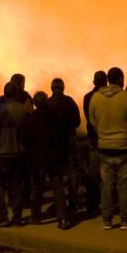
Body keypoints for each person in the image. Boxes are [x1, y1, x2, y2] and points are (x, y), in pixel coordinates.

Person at [89, 66, 127, 230]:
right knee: (124, 185)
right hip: (124, 148)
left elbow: (93, 122)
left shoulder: (95, 98)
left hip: (104, 147)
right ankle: (126, 220)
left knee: (107, 185)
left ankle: (107, 220)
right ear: (120, 79)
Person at [27, 91, 73, 228]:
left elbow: (26, 138)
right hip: (55, 157)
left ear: (35, 103)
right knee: (57, 186)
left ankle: (35, 216)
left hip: (39, 158)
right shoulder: (56, 117)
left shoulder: (32, 118)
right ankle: (62, 218)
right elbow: (64, 136)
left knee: (37, 187)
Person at [0, 82, 28, 227]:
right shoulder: (24, 109)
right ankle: (17, 217)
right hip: (19, 153)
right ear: (16, 93)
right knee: (17, 186)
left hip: (2, 153)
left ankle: (3, 216)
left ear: (5, 93)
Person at [48, 77, 81, 224]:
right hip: (69, 140)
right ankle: (73, 201)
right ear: (63, 87)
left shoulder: (47, 103)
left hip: (54, 144)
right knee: (72, 171)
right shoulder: (70, 101)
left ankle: (58, 202)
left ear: (51, 88)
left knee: (57, 176)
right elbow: (77, 121)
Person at [82, 69, 107, 216]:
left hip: (93, 139)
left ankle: (92, 206)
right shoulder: (110, 97)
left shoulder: (88, 97)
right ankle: (107, 203)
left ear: (94, 82)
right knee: (109, 175)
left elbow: (89, 117)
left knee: (94, 174)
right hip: (107, 138)